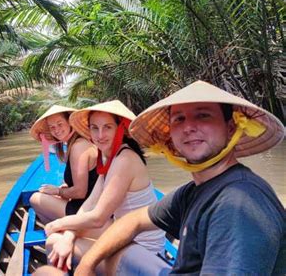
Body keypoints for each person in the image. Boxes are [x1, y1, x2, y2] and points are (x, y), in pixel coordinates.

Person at [74, 80, 285, 275]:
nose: (188, 127)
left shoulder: (237, 204)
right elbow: (134, 220)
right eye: (179, 119)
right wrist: (86, 265)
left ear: (230, 129)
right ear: (171, 138)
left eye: (203, 115)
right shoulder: (193, 191)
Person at [43, 100, 165, 272]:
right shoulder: (109, 158)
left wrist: (59, 224)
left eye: (107, 127)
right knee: (62, 238)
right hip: (125, 236)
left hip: (143, 250)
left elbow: (98, 217)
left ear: (120, 129)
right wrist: (69, 234)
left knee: (53, 241)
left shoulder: (124, 159)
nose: (100, 135)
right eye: (94, 128)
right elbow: (90, 204)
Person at [29, 105, 98, 223]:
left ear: (70, 122)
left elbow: (80, 192)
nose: (56, 130)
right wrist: (64, 190)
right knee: (50, 196)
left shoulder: (78, 146)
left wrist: (58, 191)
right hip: (88, 204)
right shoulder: (79, 143)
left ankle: (61, 229)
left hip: (88, 209)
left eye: (60, 124)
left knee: (35, 198)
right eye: (52, 127)